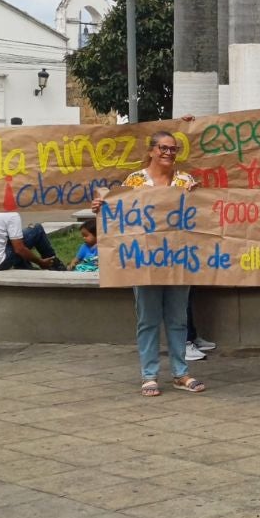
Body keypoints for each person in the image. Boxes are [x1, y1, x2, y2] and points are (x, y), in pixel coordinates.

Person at [94, 131, 205, 396]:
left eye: (173, 149)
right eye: (164, 148)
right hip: (144, 260)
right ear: (152, 150)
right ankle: (149, 374)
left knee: (178, 318)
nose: (169, 153)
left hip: (178, 259)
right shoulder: (134, 181)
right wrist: (102, 206)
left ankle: (180, 373)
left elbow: (200, 215)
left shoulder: (185, 181)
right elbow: (120, 212)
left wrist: (199, 199)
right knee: (148, 318)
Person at [0, 207, 64, 271]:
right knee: (37, 230)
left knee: (16, 239)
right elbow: (19, 249)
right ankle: (54, 264)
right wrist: (40, 262)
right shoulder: (12, 215)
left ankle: (26, 268)